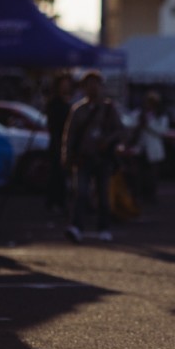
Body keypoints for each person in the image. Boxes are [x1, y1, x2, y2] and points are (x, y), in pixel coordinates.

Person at [62, 70, 124, 243]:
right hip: (83, 158)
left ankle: (104, 228)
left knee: (103, 195)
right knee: (80, 193)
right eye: (89, 85)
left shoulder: (109, 109)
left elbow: (120, 130)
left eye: (96, 84)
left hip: (103, 159)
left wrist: (107, 141)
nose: (93, 88)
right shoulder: (78, 110)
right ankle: (76, 227)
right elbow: (70, 135)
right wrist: (66, 156)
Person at [130, 91, 169, 204]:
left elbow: (162, 131)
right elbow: (130, 124)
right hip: (140, 148)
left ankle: (151, 196)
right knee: (139, 174)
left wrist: (147, 124)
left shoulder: (160, 116)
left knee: (152, 175)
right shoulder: (139, 114)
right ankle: (139, 195)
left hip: (153, 149)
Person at [45, 73, 75, 214]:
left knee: (62, 174)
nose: (65, 87)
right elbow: (53, 125)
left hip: (66, 142)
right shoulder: (55, 103)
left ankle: (59, 202)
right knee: (56, 174)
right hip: (57, 142)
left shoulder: (68, 102)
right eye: (63, 85)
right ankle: (55, 202)